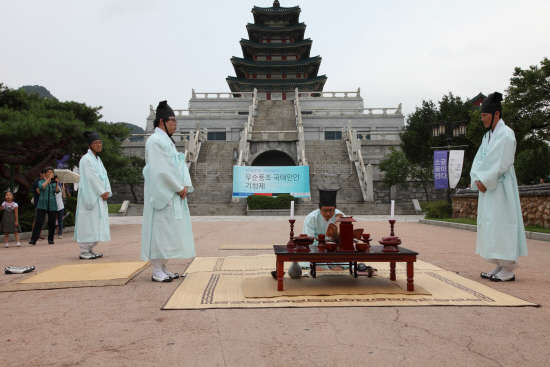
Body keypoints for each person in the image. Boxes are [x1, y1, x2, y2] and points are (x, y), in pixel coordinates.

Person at [470, 92, 528, 282]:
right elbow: (479, 160)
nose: (482, 119)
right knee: (491, 224)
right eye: (481, 116)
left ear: (496, 114)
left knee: (503, 223)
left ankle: (509, 268)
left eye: (485, 116)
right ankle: (499, 263)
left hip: (502, 187)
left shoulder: (506, 133)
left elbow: (502, 161)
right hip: (488, 187)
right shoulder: (487, 137)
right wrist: (478, 179)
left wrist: (484, 179)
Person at [141, 100, 195, 282]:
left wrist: (184, 184)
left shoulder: (167, 142)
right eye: (172, 120)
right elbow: (161, 169)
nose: (176, 123)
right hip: (163, 195)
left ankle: (163, 266)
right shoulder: (155, 141)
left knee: (170, 231)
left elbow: (176, 166)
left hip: (172, 192)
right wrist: (179, 186)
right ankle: (156, 269)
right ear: (162, 121)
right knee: (161, 230)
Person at [73, 131, 111, 260]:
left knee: (96, 222)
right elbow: (91, 177)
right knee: (88, 221)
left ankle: (90, 248)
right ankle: (84, 250)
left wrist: (106, 191)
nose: (99, 145)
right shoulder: (85, 159)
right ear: (89, 145)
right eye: (96, 143)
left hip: (99, 195)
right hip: (91, 195)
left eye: (100, 142)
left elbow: (104, 176)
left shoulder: (98, 160)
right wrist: (101, 191)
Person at [301, 188, 347, 272]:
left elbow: (345, 239)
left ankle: (342, 264)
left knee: (344, 243)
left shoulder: (340, 216)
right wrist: (313, 262)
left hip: (335, 249)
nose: (328, 213)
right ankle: (313, 263)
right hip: (317, 250)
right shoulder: (311, 218)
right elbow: (308, 240)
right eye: (325, 210)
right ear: (319, 208)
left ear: (335, 208)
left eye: (331, 210)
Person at [29, 167, 59, 245]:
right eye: (48, 172)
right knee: (38, 222)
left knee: (52, 222)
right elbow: (42, 187)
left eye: (51, 172)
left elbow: (57, 191)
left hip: (52, 205)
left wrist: (56, 183)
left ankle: (50, 239)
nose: (50, 174)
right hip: (42, 204)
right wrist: (48, 179)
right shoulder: (41, 181)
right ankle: (33, 239)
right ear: (45, 173)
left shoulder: (53, 183)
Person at [31, 171, 48, 240]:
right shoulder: (37, 182)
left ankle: (39, 234)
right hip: (38, 203)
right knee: (37, 219)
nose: (46, 175)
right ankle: (35, 234)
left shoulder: (46, 182)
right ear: (41, 174)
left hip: (45, 204)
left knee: (45, 219)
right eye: (45, 173)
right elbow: (39, 191)